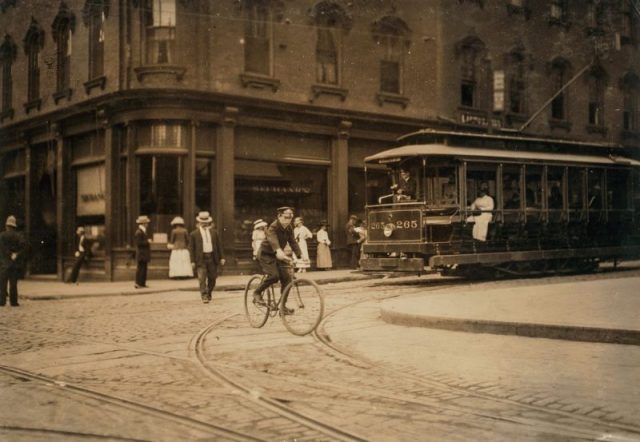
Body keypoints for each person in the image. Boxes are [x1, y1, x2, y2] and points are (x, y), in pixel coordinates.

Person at [252, 207, 302, 312]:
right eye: (286, 217)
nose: (288, 220)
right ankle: (257, 293)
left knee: (287, 279)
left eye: (290, 217)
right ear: (279, 216)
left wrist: (299, 255)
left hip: (278, 255)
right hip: (266, 254)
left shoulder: (289, 228)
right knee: (274, 276)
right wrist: (278, 250)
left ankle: (283, 307)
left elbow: (292, 241)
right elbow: (273, 240)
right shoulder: (273, 227)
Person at [189, 211, 225, 304]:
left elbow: (219, 246)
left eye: (206, 222)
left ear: (208, 222)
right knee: (202, 278)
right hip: (201, 259)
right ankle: (204, 295)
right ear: (199, 222)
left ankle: (208, 292)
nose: (204, 224)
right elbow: (191, 248)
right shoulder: (194, 234)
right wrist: (192, 261)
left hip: (212, 257)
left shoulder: (214, 233)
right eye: (202, 222)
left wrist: (222, 257)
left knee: (213, 277)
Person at [0, 216, 26, 307]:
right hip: (15, 263)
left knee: (2, 283)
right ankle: (13, 302)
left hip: (4, 263)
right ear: (14, 226)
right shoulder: (19, 236)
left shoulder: (2, 235)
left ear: (7, 225)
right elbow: (23, 246)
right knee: (13, 283)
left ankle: (2, 301)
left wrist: (8, 253)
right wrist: (16, 254)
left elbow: (2, 248)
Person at [134, 215, 151, 288]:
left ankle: (142, 283)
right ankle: (138, 283)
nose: (147, 224)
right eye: (146, 223)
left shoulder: (142, 231)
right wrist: (148, 242)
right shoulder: (139, 232)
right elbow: (139, 243)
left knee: (143, 268)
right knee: (141, 268)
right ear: (143, 224)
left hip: (143, 253)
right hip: (141, 253)